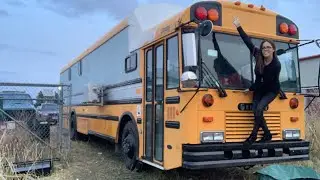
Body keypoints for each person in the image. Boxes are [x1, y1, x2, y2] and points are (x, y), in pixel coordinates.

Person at [232, 17, 281, 145]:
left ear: (273, 49)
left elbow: (265, 82)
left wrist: (251, 88)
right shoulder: (258, 55)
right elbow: (247, 41)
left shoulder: (276, 65)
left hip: (271, 89)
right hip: (260, 88)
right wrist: (238, 27)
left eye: (268, 47)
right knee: (255, 110)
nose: (266, 49)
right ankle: (267, 133)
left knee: (259, 109)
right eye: (264, 47)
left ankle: (253, 137)